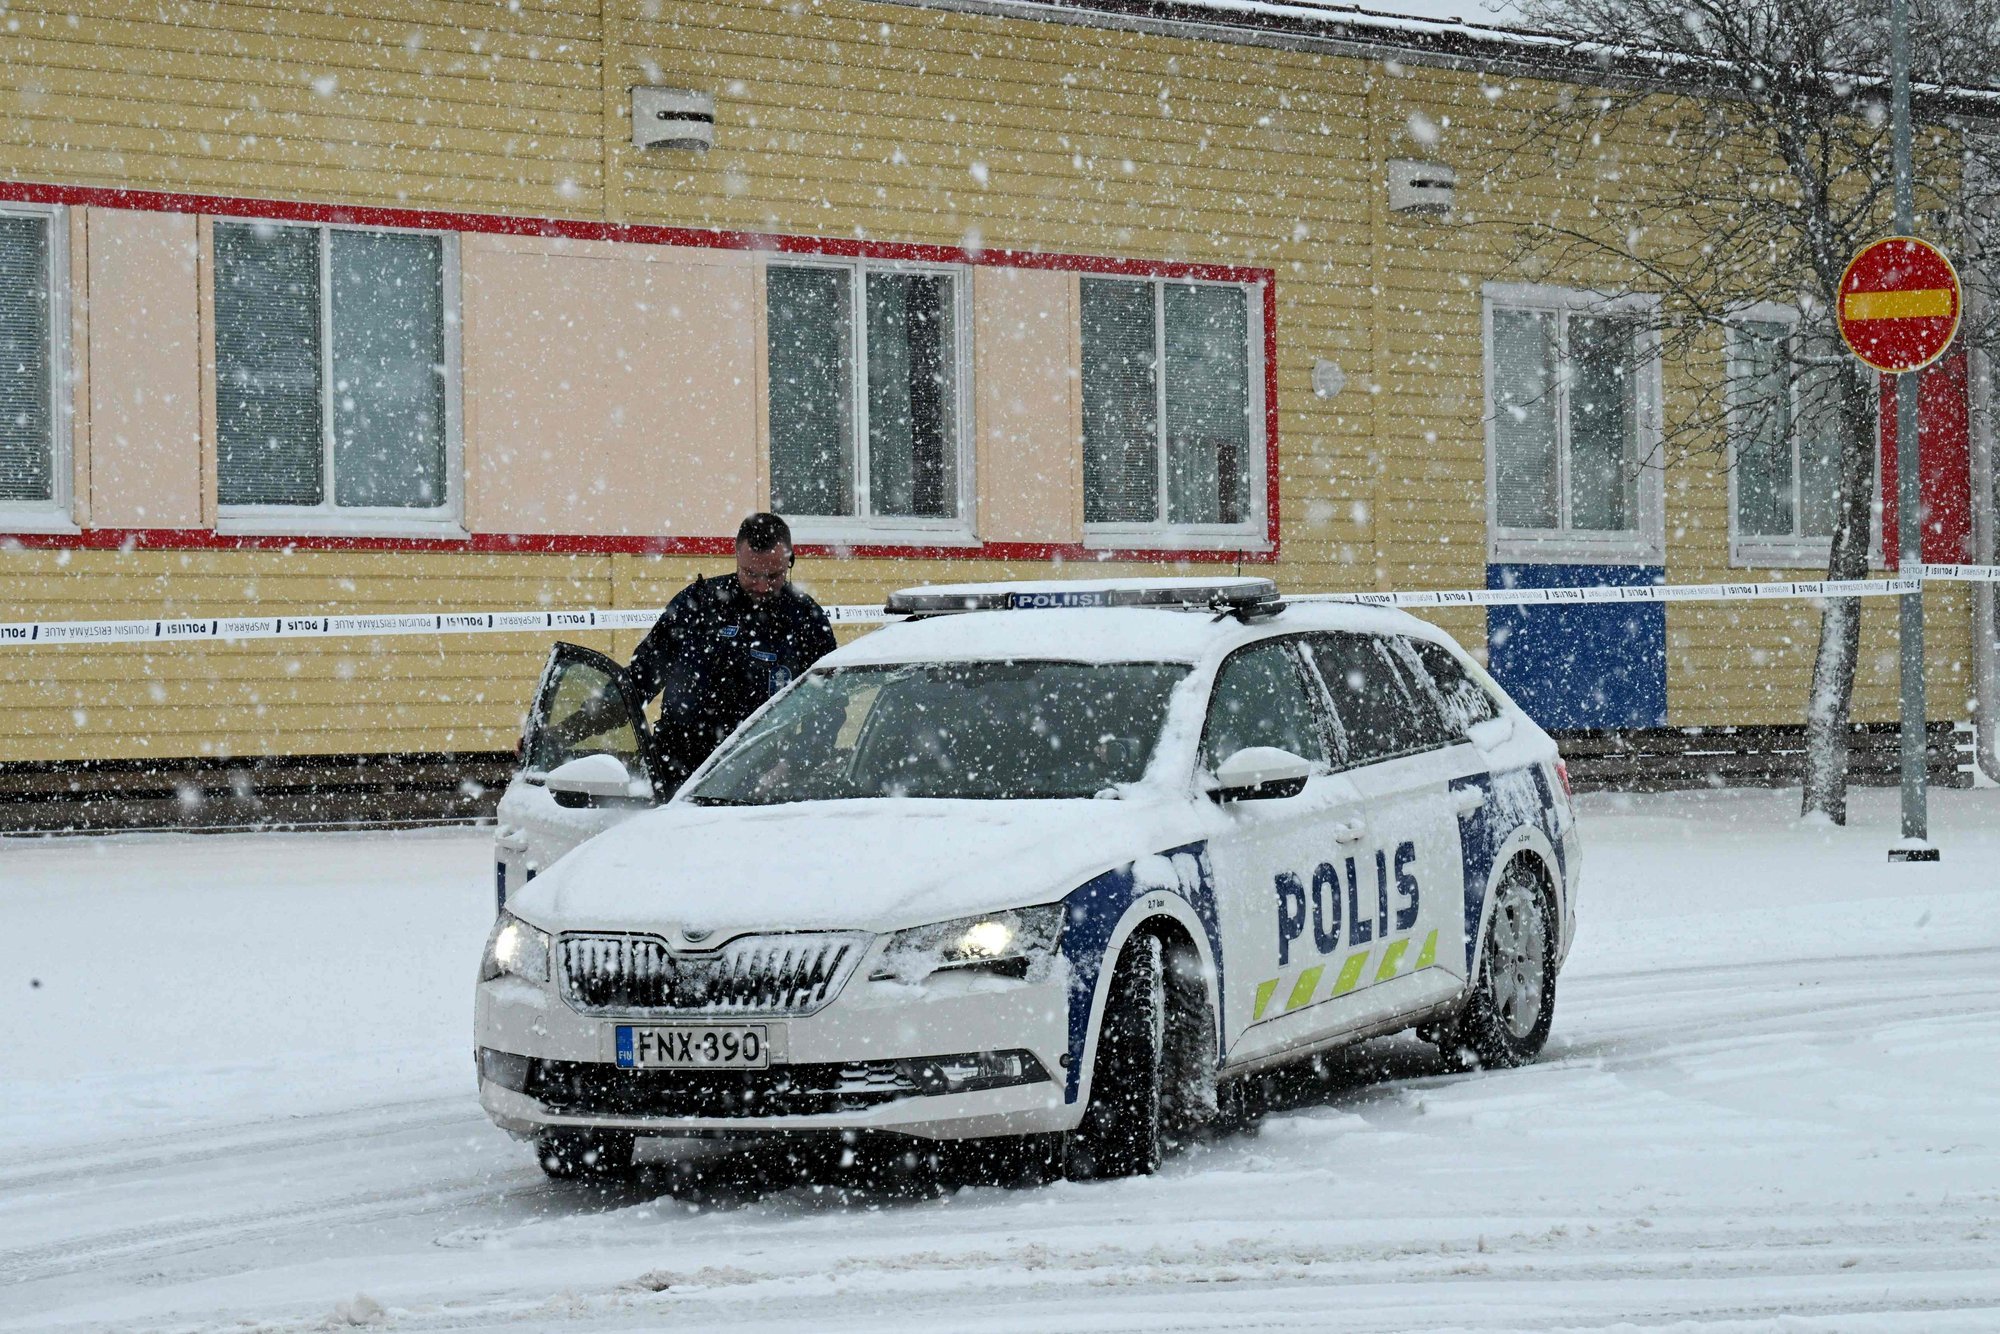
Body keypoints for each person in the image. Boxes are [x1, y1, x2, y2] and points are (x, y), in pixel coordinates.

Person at [627, 512, 837, 791]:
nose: (762, 586)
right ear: (737, 556)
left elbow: (828, 709)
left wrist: (792, 764)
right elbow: (637, 681)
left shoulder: (806, 620)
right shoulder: (698, 604)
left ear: (790, 561)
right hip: (679, 778)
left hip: (762, 785)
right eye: (751, 574)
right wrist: (577, 724)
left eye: (773, 575)